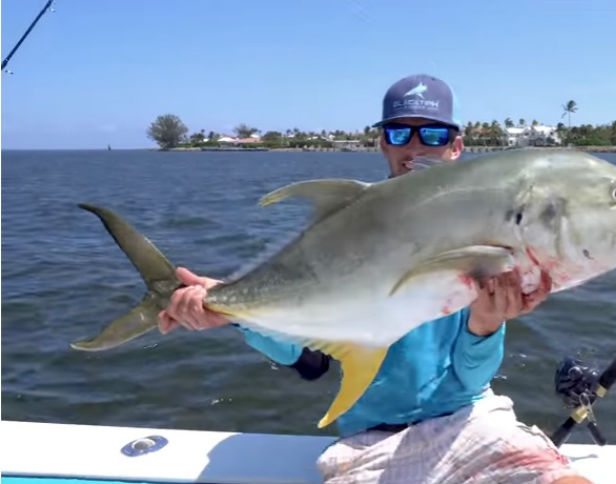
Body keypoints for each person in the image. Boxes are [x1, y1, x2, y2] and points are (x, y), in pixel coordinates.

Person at [158, 74, 591, 484]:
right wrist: (230, 311)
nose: (416, 147)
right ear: (383, 142)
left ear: (456, 146)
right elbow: (307, 358)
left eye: (433, 135)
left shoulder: (487, 228)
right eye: (401, 134)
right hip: (370, 438)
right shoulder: (347, 223)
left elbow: (471, 381)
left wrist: (486, 325)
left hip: (469, 419)